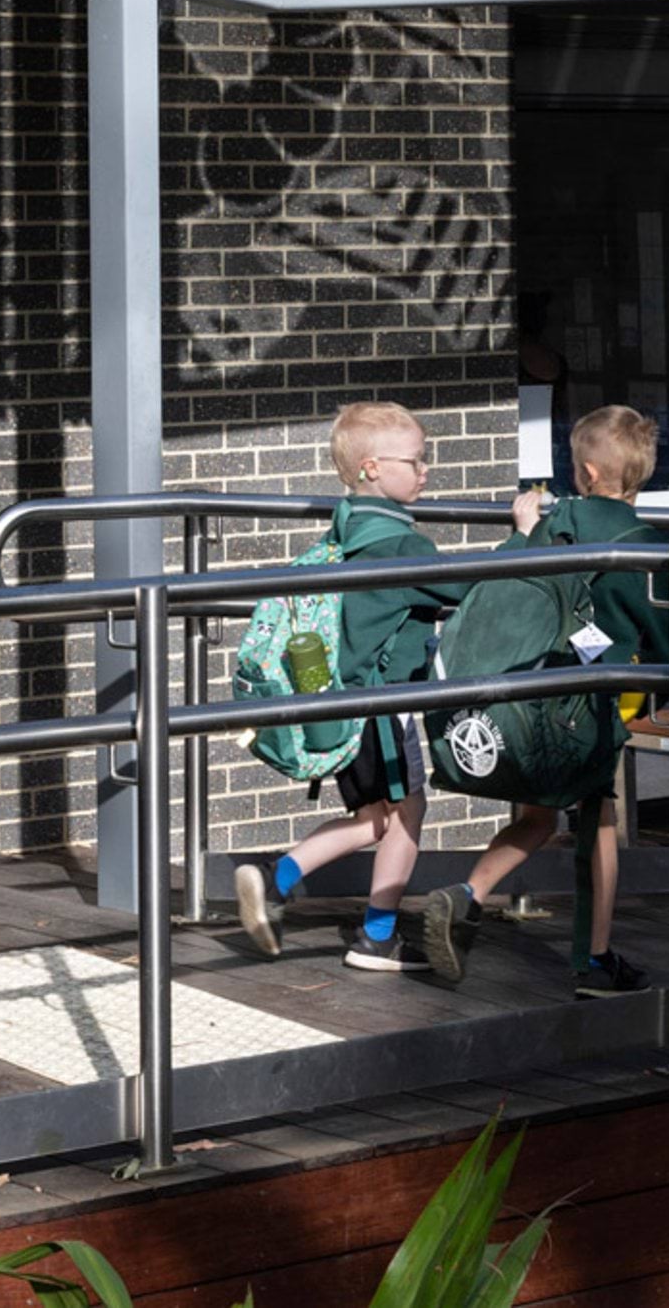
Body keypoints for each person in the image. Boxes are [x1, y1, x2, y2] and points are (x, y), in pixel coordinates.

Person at [420, 404, 669, 998]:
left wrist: (521, 529)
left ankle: (468, 893)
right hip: (595, 704)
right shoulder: (645, 542)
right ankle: (594, 959)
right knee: (600, 823)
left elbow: (503, 583)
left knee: (538, 815)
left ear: (583, 472)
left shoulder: (550, 525)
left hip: (537, 693)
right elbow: (663, 636)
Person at [234, 400, 464, 973]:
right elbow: (467, 591)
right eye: (414, 460)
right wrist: (529, 540)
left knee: (376, 818)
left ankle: (279, 879)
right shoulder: (402, 546)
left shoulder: (341, 538)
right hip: (385, 708)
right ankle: (374, 935)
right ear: (370, 468)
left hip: (343, 703)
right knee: (406, 816)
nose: (425, 470)